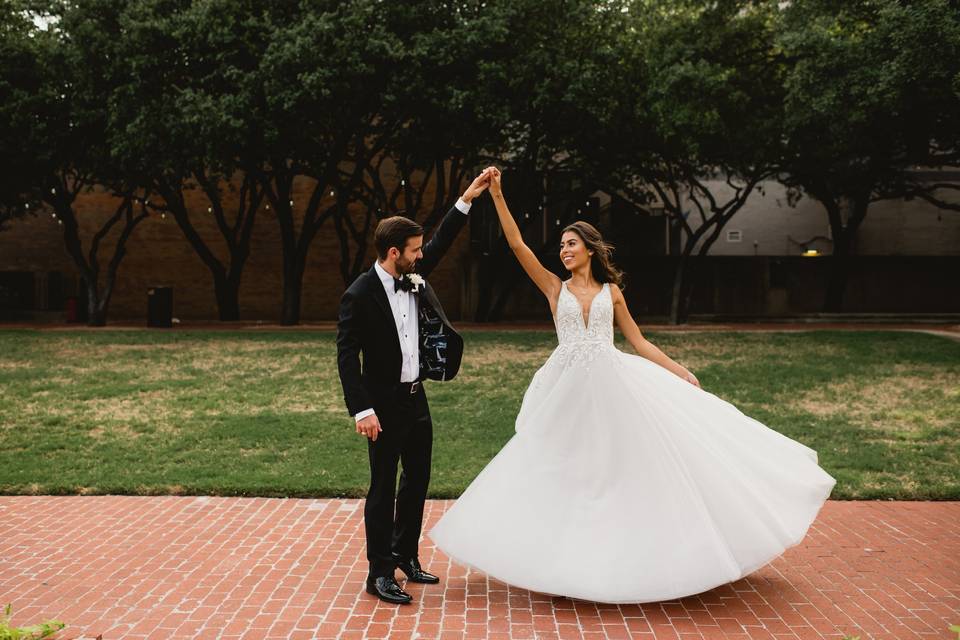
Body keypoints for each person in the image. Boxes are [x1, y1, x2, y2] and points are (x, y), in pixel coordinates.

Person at [428, 167, 837, 604]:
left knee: (616, 470)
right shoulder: (553, 288)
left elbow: (639, 341)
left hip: (612, 386)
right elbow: (517, 244)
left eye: (570, 244)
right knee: (566, 471)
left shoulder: (612, 293)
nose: (564, 251)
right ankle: (559, 565)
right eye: (562, 245)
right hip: (566, 391)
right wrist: (499, 196)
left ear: (588, 249)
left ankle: (623, 558)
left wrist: (678, 369)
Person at [336, 168, 492, 605]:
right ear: (393, 253)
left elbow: (440, 242)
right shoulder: (359, 294)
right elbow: (346, 356)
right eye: (414, 251)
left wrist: (467, 198)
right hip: (382, 407)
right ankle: (379, 572)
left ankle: (406, 556)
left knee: (417, 480)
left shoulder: (413, 273)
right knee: (383, 487)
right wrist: (361, 410)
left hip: (415, 398)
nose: (422, 256)